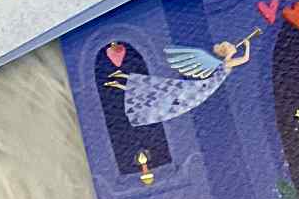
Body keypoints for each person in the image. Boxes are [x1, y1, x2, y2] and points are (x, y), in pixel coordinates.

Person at [111, 31, 259, 127]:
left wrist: (246, 45)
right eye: (230, 47)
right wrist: (247, 46)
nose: (233, 48)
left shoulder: (224, 62)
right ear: (228, 51)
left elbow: (242, 59)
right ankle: (120, 81)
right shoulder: (226, 63)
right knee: (164, 91)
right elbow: (245, 58)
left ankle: (121, 79)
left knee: (162, 89)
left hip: (202, 88)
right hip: (202, 89)